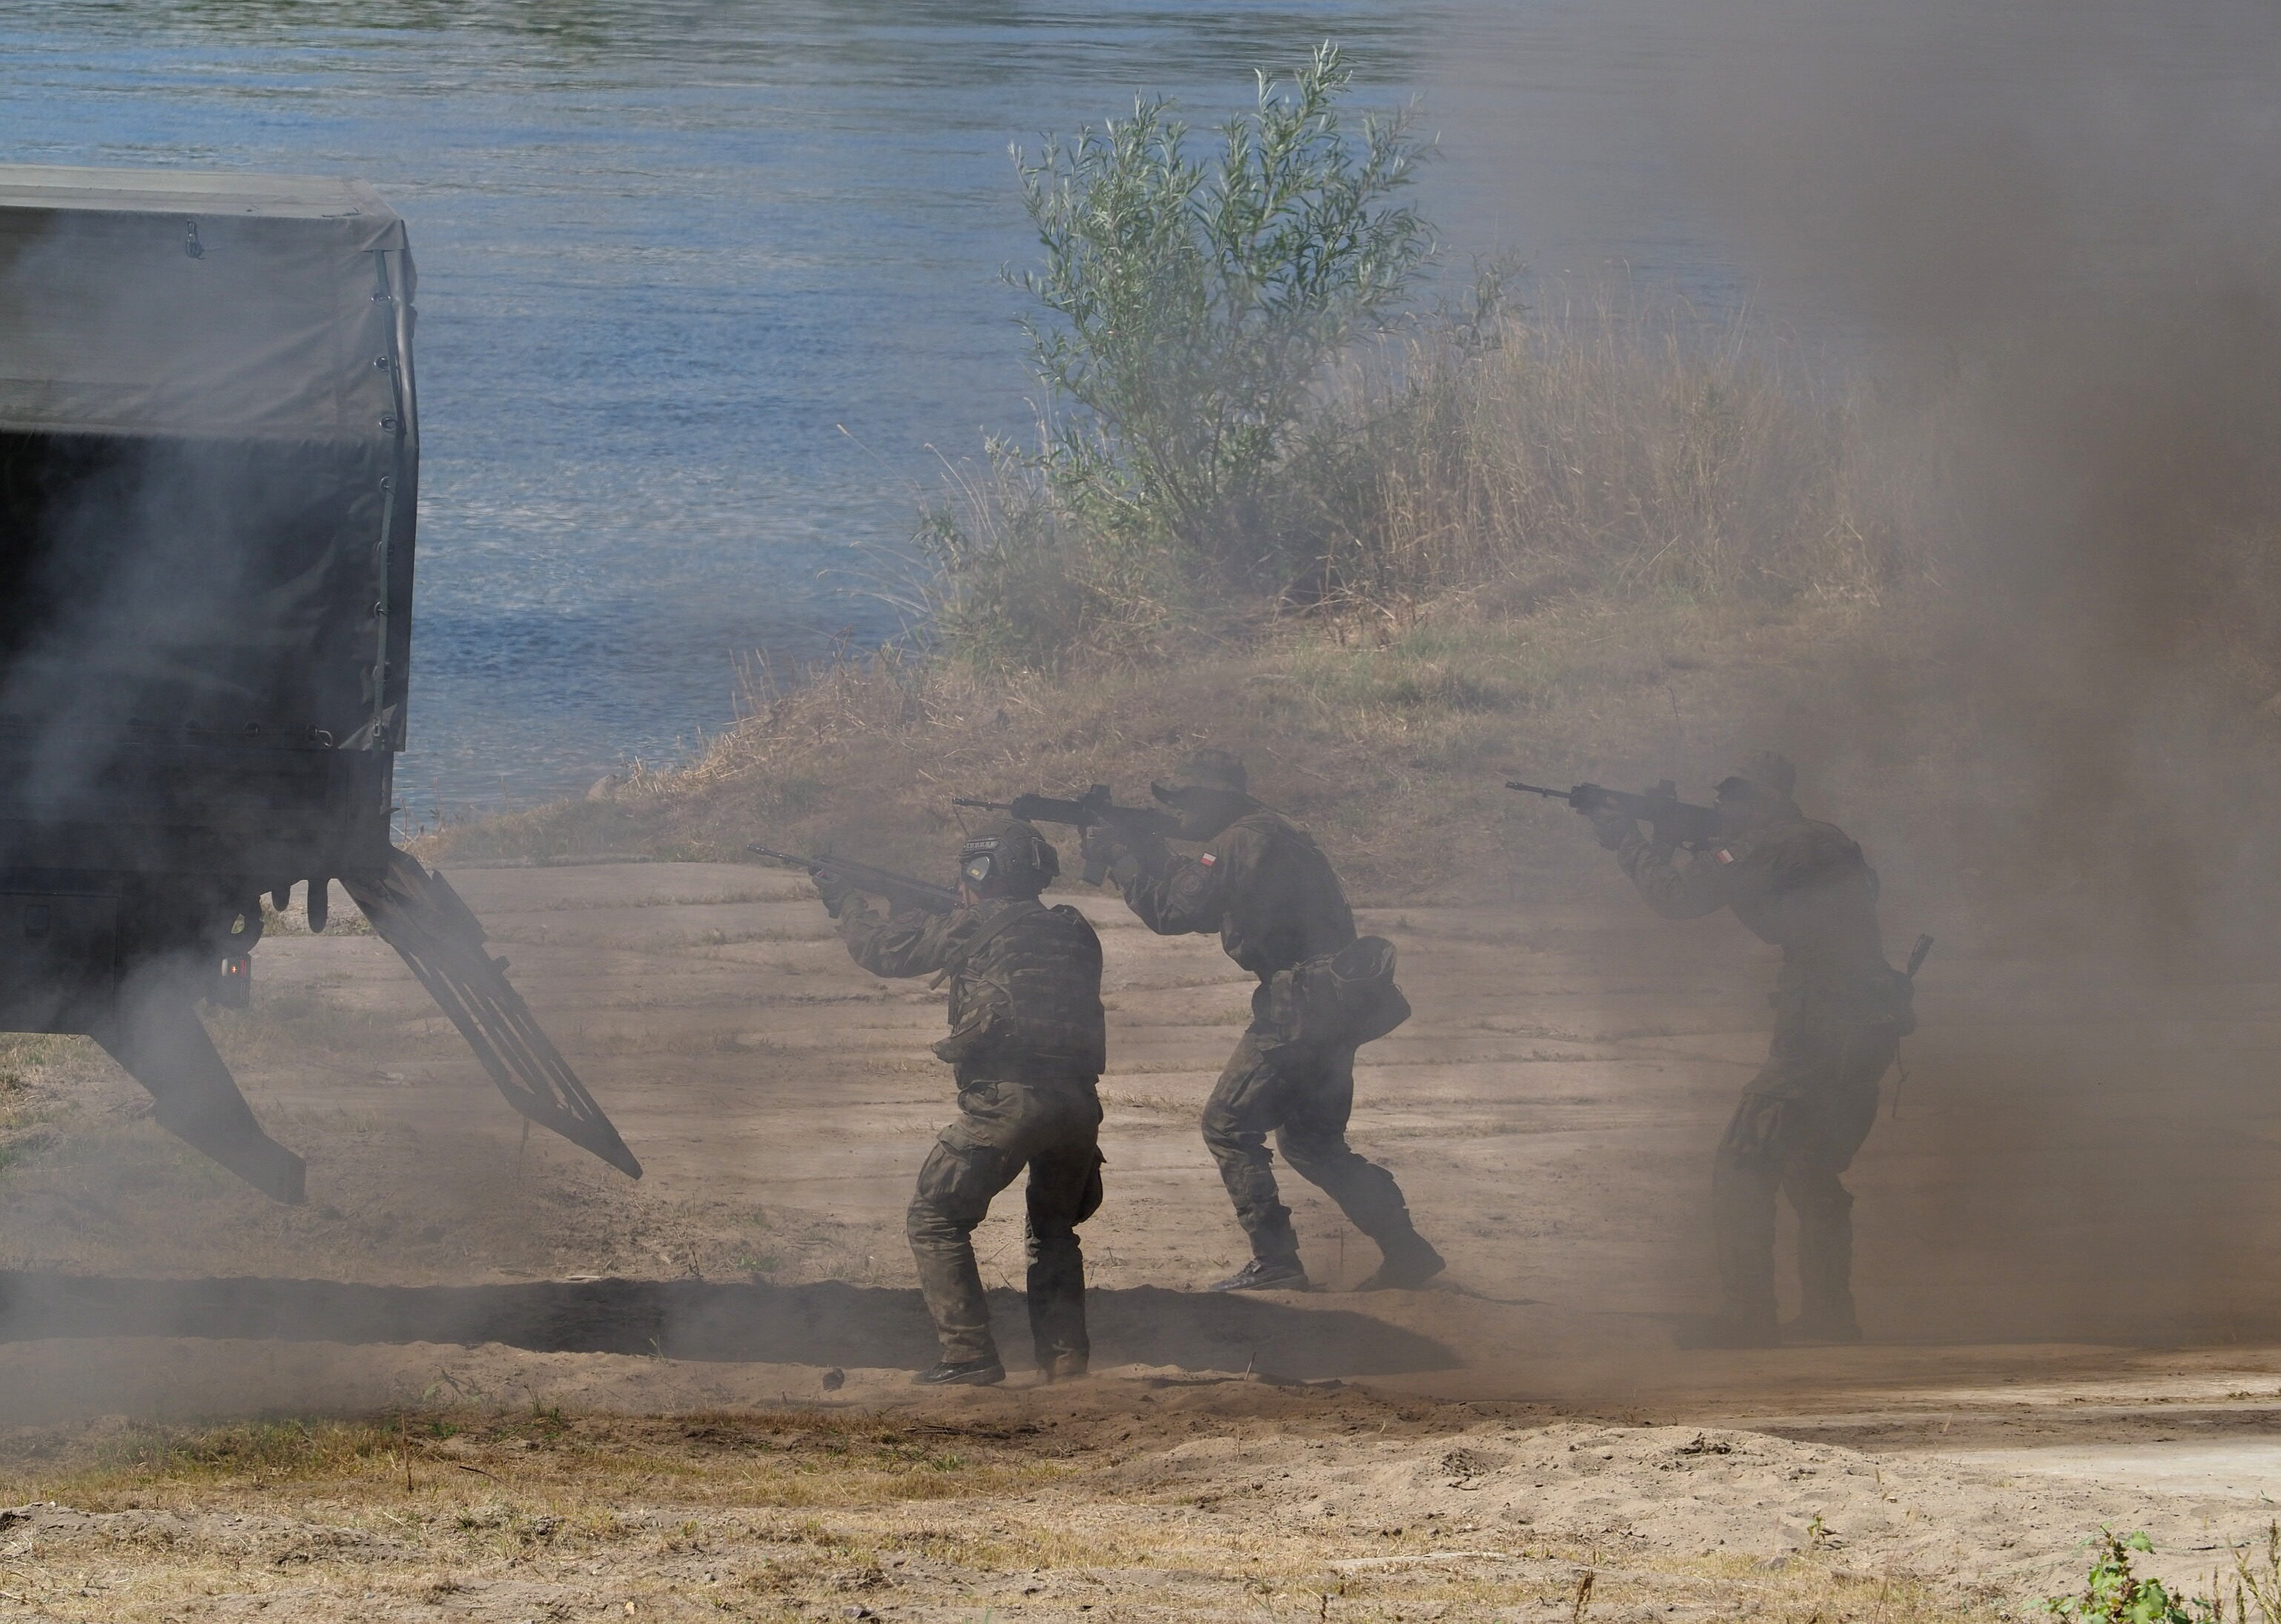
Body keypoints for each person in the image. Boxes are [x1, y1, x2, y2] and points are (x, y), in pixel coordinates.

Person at [1580, 751, 1913, 1348]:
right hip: (1865, 1023)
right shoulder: (1824, 838)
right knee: (1810, 1167)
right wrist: (1684, 837)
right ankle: (1830, 1316)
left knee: (1741, 1162)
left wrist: (1626, 840)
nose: (1722, 810)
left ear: (1759, 802)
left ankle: (1747, 1316)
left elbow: (1678, 898)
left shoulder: (1765, 845)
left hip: (1819, 1027)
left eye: (1731, 799)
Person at [1085, 749, 1443, 1293]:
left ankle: (1275, 1261)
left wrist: (1125, 857)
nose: (1178, 813)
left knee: (1227, 1125)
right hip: (1332, 1002)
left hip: (1300, 1004)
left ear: (1215, 799)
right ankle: (1407, 1250)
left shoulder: (1242, 838)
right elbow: (1198, 892)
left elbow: (1178, 913)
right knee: (1311, 1142)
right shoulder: (1271, 832)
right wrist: (1146, 848)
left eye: (1185, 800)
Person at [815, 818, 1107, 1386]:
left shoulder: (971, 923)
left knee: (934, 1216)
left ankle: (969, 1354)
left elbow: (880, 950)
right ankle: (1065, 1359)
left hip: (1008, 1100)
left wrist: (843, 897)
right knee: (1053, 1232)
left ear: (981, 872)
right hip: (1078, 1103)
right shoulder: (1073, 929)